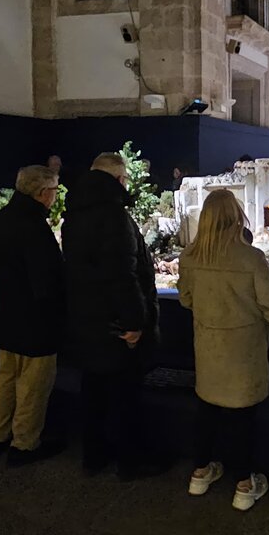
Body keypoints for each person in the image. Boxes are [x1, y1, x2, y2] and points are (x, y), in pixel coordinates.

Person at [177, 190, 269, 512]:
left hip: (208, 348)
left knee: (207, 411)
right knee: (243, 418)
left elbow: (185, 299)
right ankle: (243, 485)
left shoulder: (190, 257)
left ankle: (200, 473)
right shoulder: (250, 258)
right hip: (244, 351)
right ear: (237, 216)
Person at [63, 153, 163, 479]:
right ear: (120, 179)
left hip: (87, 320)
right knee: (125, 396)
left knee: (93, 390)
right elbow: (122, 275)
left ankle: (94, 456)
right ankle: (129, 462)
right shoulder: (113, 216)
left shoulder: (74, 215)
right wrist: (135, 323)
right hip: (116, 326)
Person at [0, 165, 66, 467]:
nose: (55, 197)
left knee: (5, 378)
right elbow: (46, 279)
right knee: (33, 384)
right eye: (55, 191)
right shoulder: (34, 227)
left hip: (6, 314)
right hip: (35, 321)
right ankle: (24, 444)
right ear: (43, 193)